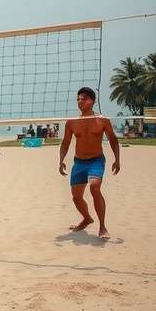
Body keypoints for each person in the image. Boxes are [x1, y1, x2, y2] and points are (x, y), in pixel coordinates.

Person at [58, 87, 120, 240]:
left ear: (93, 101)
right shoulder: (72, 122)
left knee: (94, 187)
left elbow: (113, 140)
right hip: (79, 162)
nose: (80, 102)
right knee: (76, 197)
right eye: (78, 99)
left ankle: (102, 226)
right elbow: (65, 143)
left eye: (83, 99)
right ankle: (87, 218)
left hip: (96, 160)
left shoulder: (102, 120)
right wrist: (61, 160)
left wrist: (117, 159)